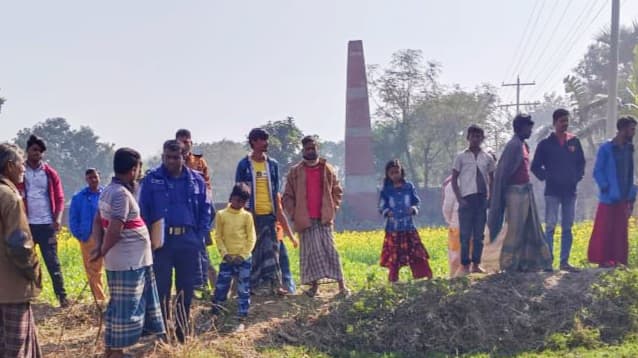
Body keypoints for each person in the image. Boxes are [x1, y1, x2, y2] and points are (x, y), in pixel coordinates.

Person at [90, 148, 165, 358]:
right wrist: (101, 251)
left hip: (131, 261)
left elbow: (98, 220)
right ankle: (115, 353)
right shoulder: (120, 194)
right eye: (138, 168)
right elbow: (114, 229)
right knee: (125, 310)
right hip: (127, 263)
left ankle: (113, 351)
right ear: (133, 170)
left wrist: (98, 246)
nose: (140, 173)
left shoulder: (108, 190)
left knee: (120, 307)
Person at [139, 139, 212, 342]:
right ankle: (163, 332)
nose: (171, 161)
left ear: (184, 157)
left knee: (185, 289)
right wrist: (149, 240)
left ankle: (181, 330)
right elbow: (143, 210)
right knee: (162, 288)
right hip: (162, 242)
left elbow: (206, 210)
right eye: (167, 157)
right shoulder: (152, 179)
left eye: (175, 157)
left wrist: (199, 237)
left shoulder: (196, 180)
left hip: (188, 240)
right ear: (163, 157)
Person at [283, 136, 349, 297]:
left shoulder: (327, 168)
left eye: (313, 148)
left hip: (324, 218)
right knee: (311, 253)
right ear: (303, 150)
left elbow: (337, 191)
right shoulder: (295, 172)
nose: (311, 151)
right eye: (307, 149)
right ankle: (314, 288)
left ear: (317, 148)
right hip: (305, 219)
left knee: (331, 251)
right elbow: (287, 197)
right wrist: (294, 214)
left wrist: (332, 208)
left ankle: (342, 287)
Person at [487, 114, 552, 272]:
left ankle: (528, 262)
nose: (530, 130)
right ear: (520, 128)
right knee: (515, 229)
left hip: (526, 190)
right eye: (528, 127)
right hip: (515, 193)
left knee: (530, 227)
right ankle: (508, 264)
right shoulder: (513, 145)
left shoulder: (524, 145)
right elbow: (503, 172)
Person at [235, 128, 292, 296]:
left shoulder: (272, 164)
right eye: (262, 140)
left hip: (269, 214)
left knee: (272, 250)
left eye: (266, 140)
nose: (266, 143)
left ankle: (276, 285)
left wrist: (278, 213)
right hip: (250, 215)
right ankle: (251, 286)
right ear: (253, 142)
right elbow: (239, 190)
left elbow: (276, 191)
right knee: (252, 250)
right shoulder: (244, 165)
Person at [0, 143, 43, 358]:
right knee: (15, 348)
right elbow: (19, 245)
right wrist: (34, 273)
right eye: (20, 164)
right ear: (9, 166)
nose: (24, 168)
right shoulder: (10, 197)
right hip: (11, 289)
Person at [531, 108, 586, 272]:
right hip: (552, 191)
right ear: (554, 123)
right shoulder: (545, 144)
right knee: (550, 226)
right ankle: (548, 263)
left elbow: (581, 164)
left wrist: (576, 178)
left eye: (566, 121)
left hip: (570, 191)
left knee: (568, 227)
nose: (565, 124)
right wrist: (548, 177)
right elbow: (535, 167)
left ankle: (564, 262)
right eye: (562, 121)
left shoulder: (574, 142)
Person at [18, 135, 68, 307]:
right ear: (27, 151)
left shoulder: (49, 173)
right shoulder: (20, 171)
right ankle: (27, 297)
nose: (36, 153)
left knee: (52, 262)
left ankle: (62, 297)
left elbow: (60, 198)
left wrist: (58, 219)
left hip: (46, 224)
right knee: (26, 262)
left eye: (39, 151)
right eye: (34, 150)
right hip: (27, 225)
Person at [588, 116, 638, 267]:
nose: (634, 132)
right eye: (632, 128)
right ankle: (603, 260)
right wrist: (606, 187)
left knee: (620, 231)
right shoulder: (606, 148)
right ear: (622, 129)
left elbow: (631, 173)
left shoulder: (630, 149)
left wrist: (631, 196)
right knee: (605, 229)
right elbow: (598, 171)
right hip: (609, 197)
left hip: (624, 197)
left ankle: (619, 261)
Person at [175, 129, 217, 295]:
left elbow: (207, 189)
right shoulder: (173, 161)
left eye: (187, 141)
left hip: (199, 213)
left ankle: (206, 286)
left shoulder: (199, 162)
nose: (184, 144)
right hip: (182, 214)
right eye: (181, 141)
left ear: (191, 143)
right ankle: (189, 288)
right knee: (185, 254)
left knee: (201, 251)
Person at [378, 159, 432, 282]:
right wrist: (388, 212)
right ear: (388, 174)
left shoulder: (409, 187)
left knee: (417, 252)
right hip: (393, 228)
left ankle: (425, 277)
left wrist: (413, 209)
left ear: (401, 172)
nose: (395, 175)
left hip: (408, 226)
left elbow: (416, 201)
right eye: (392, 173)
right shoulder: (386, 190)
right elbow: (381, 207)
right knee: (394, 256)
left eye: (397, 172)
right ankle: (393, 281)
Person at [451, 125, 495, 274]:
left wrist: (491, 197)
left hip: (481, 198)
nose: (475, 139)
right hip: (466, 199)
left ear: (482, 138)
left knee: (479, 235)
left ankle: (476, 264)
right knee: (465, 234)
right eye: (473, 136)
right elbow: (454, 179)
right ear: (468, 137)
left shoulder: (487, 158)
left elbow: (492, 178)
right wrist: (459, 198)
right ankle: (465, 265)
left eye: (478, 136)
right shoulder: (461, 157)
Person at [211, 183, 256, 322]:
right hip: (227, 258)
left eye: (243, 201)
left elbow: (252, 237)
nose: (239, 204)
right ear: (231, 198)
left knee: (243, 288)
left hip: (244, 259)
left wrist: (242, 255)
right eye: (237, 200)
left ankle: (242, 312)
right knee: (221, 285)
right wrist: (225, 254)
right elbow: (218, 236)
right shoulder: (221, 215)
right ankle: (217, 309)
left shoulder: (247, 216)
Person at [69, 168, 106, 304]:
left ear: (99, 177)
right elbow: (73, 219)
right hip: (88, 237)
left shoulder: (106, 194)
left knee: (113, 267)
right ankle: (100, 300)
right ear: (86, 179)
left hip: (108, 236)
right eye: (90, 178)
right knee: (93, 271)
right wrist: (80, 235)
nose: (93, 180)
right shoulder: (78, 198)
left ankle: (114, 298)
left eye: (95, 177)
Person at [441, 176, 462, 277]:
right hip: (459, 225)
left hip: (457, 225)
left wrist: (449, 220)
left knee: (456, 256)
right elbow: (447, 207)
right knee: (457, 256)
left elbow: (446, 208)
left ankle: (455, 278)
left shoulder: (452, 183)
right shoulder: (452, 183)